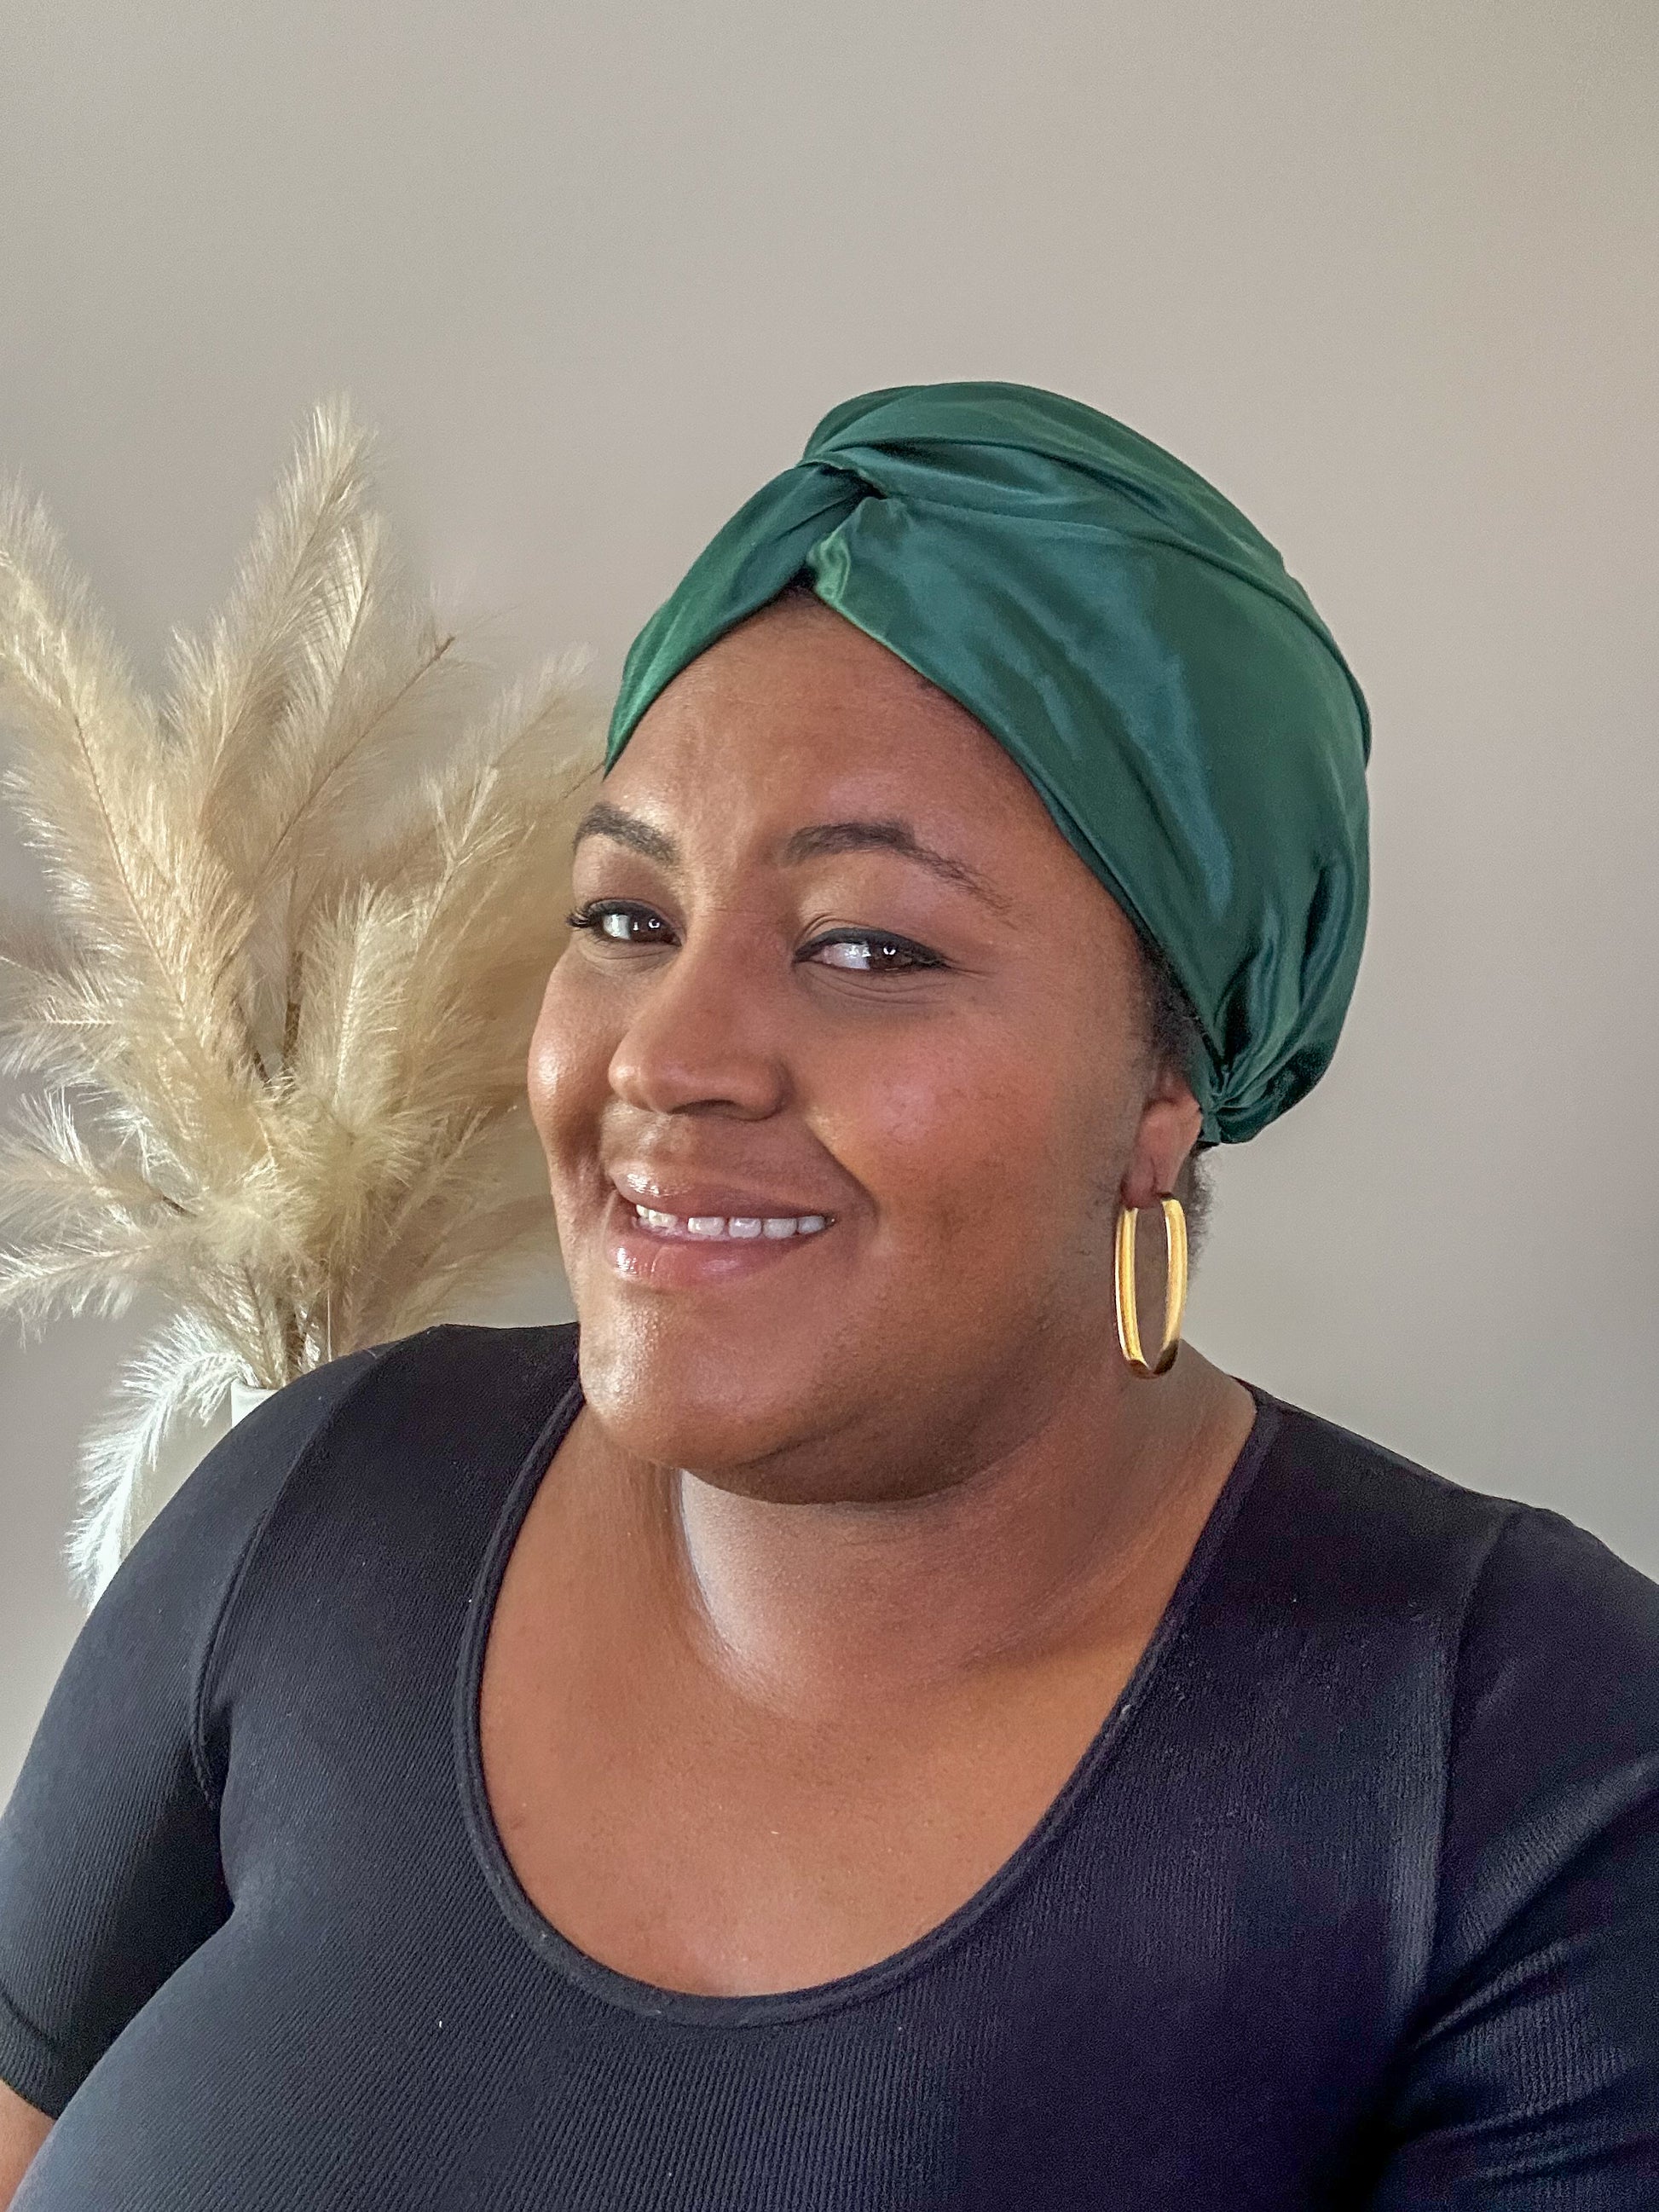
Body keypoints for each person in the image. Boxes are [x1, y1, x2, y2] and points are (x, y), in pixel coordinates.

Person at [1, 380, 1656, 2209]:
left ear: (1161, 1096)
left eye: (869, 944)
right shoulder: (325, 1496)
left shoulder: (1520, 1760)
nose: (670, 1054)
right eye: (627, 918)